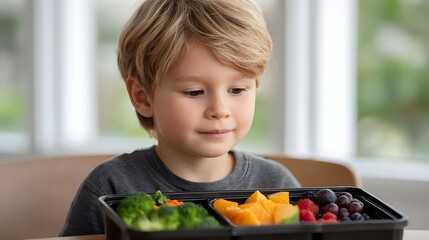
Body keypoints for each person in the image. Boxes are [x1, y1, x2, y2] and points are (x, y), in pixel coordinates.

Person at [60, 0, 300, 236]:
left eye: (237, 90)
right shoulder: (109, 185)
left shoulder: (276, 184)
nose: (220, 109)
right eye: (194, 92)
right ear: (143, 98)